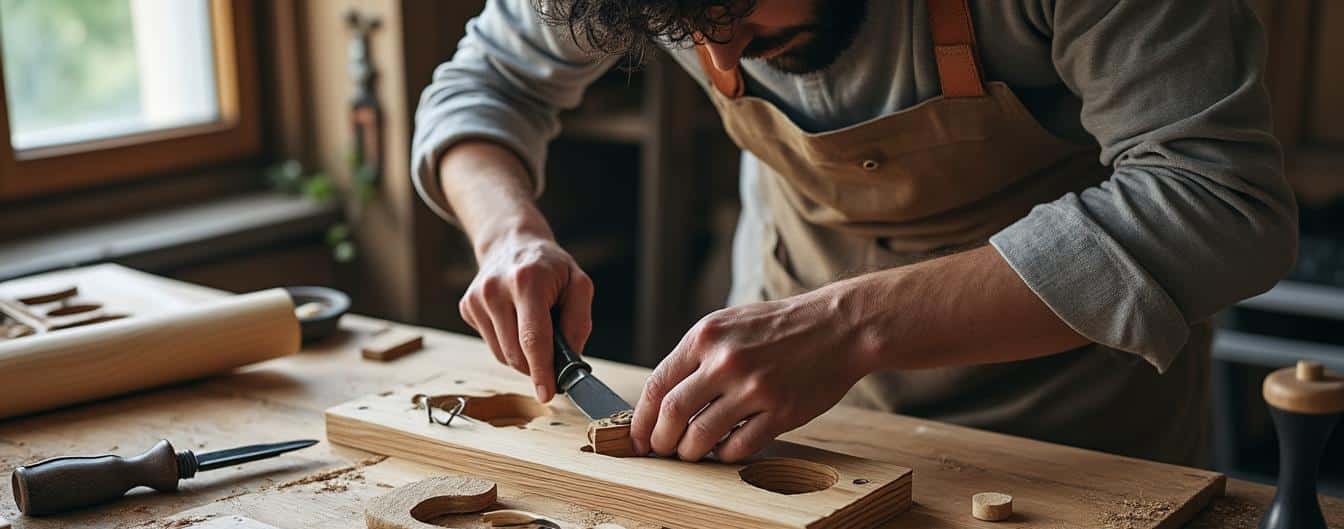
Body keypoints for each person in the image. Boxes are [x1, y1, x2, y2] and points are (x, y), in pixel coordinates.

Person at [412, 0, 1296, 466]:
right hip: (773, 415)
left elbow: (1218, 201)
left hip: (1070, 425)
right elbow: (483, 88)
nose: (723, 37)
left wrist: (849, 327)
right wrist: (506, 235)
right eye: (688, 21)